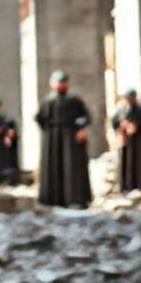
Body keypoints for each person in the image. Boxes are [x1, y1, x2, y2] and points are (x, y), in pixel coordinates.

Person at [35, 71, 92, 207]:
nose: (61, 85)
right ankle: (51, 199)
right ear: (53, 84)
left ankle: (75, 198)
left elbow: (86, 117)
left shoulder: (75, 101)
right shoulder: (47, 102)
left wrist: (81, 128)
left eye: (63, 82)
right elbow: (39, 119)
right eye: (58, 82)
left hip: (71, 139)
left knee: (72, 167)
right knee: (52, 166)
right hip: (52, 140)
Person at [110, 89, 141, 192]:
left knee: (139, 162)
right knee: (125, 162)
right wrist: (121, 127)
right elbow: (114, 121)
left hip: (139, 140)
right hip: (125, 139)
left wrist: (136, 126)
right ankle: (125, 186)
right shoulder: (120, 109)